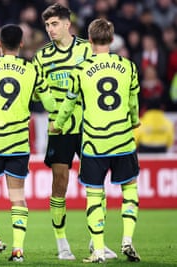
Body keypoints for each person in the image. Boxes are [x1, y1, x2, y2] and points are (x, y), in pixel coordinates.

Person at [50, 18, 142, 263]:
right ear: (112, 40)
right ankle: (127, 240)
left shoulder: (80, 70)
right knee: (130, 189)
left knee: (94, 194)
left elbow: (69, 104)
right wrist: (133, 121)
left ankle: (99, 250)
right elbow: (133, 103)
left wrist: (58, 125)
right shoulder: (129, 66)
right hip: (122, 140)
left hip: (94, 142)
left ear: (89, 41)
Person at [0, 24, 56, 262]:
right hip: (18, 143)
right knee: (17, 196)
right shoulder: (32, 70)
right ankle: (18, 249)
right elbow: (50, 104)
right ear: (22, 44)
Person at [32, 3, 116, 260]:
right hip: (59, 127)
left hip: (89, 125)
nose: (50, 29)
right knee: (60, 182)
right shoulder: (41, 56)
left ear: (68, 24)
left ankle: (96, 240)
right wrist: (53, 107)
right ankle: (62, 243)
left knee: (96, 184)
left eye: (54, 24)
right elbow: (37, 88)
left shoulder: (86, 49)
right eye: (47, 25)